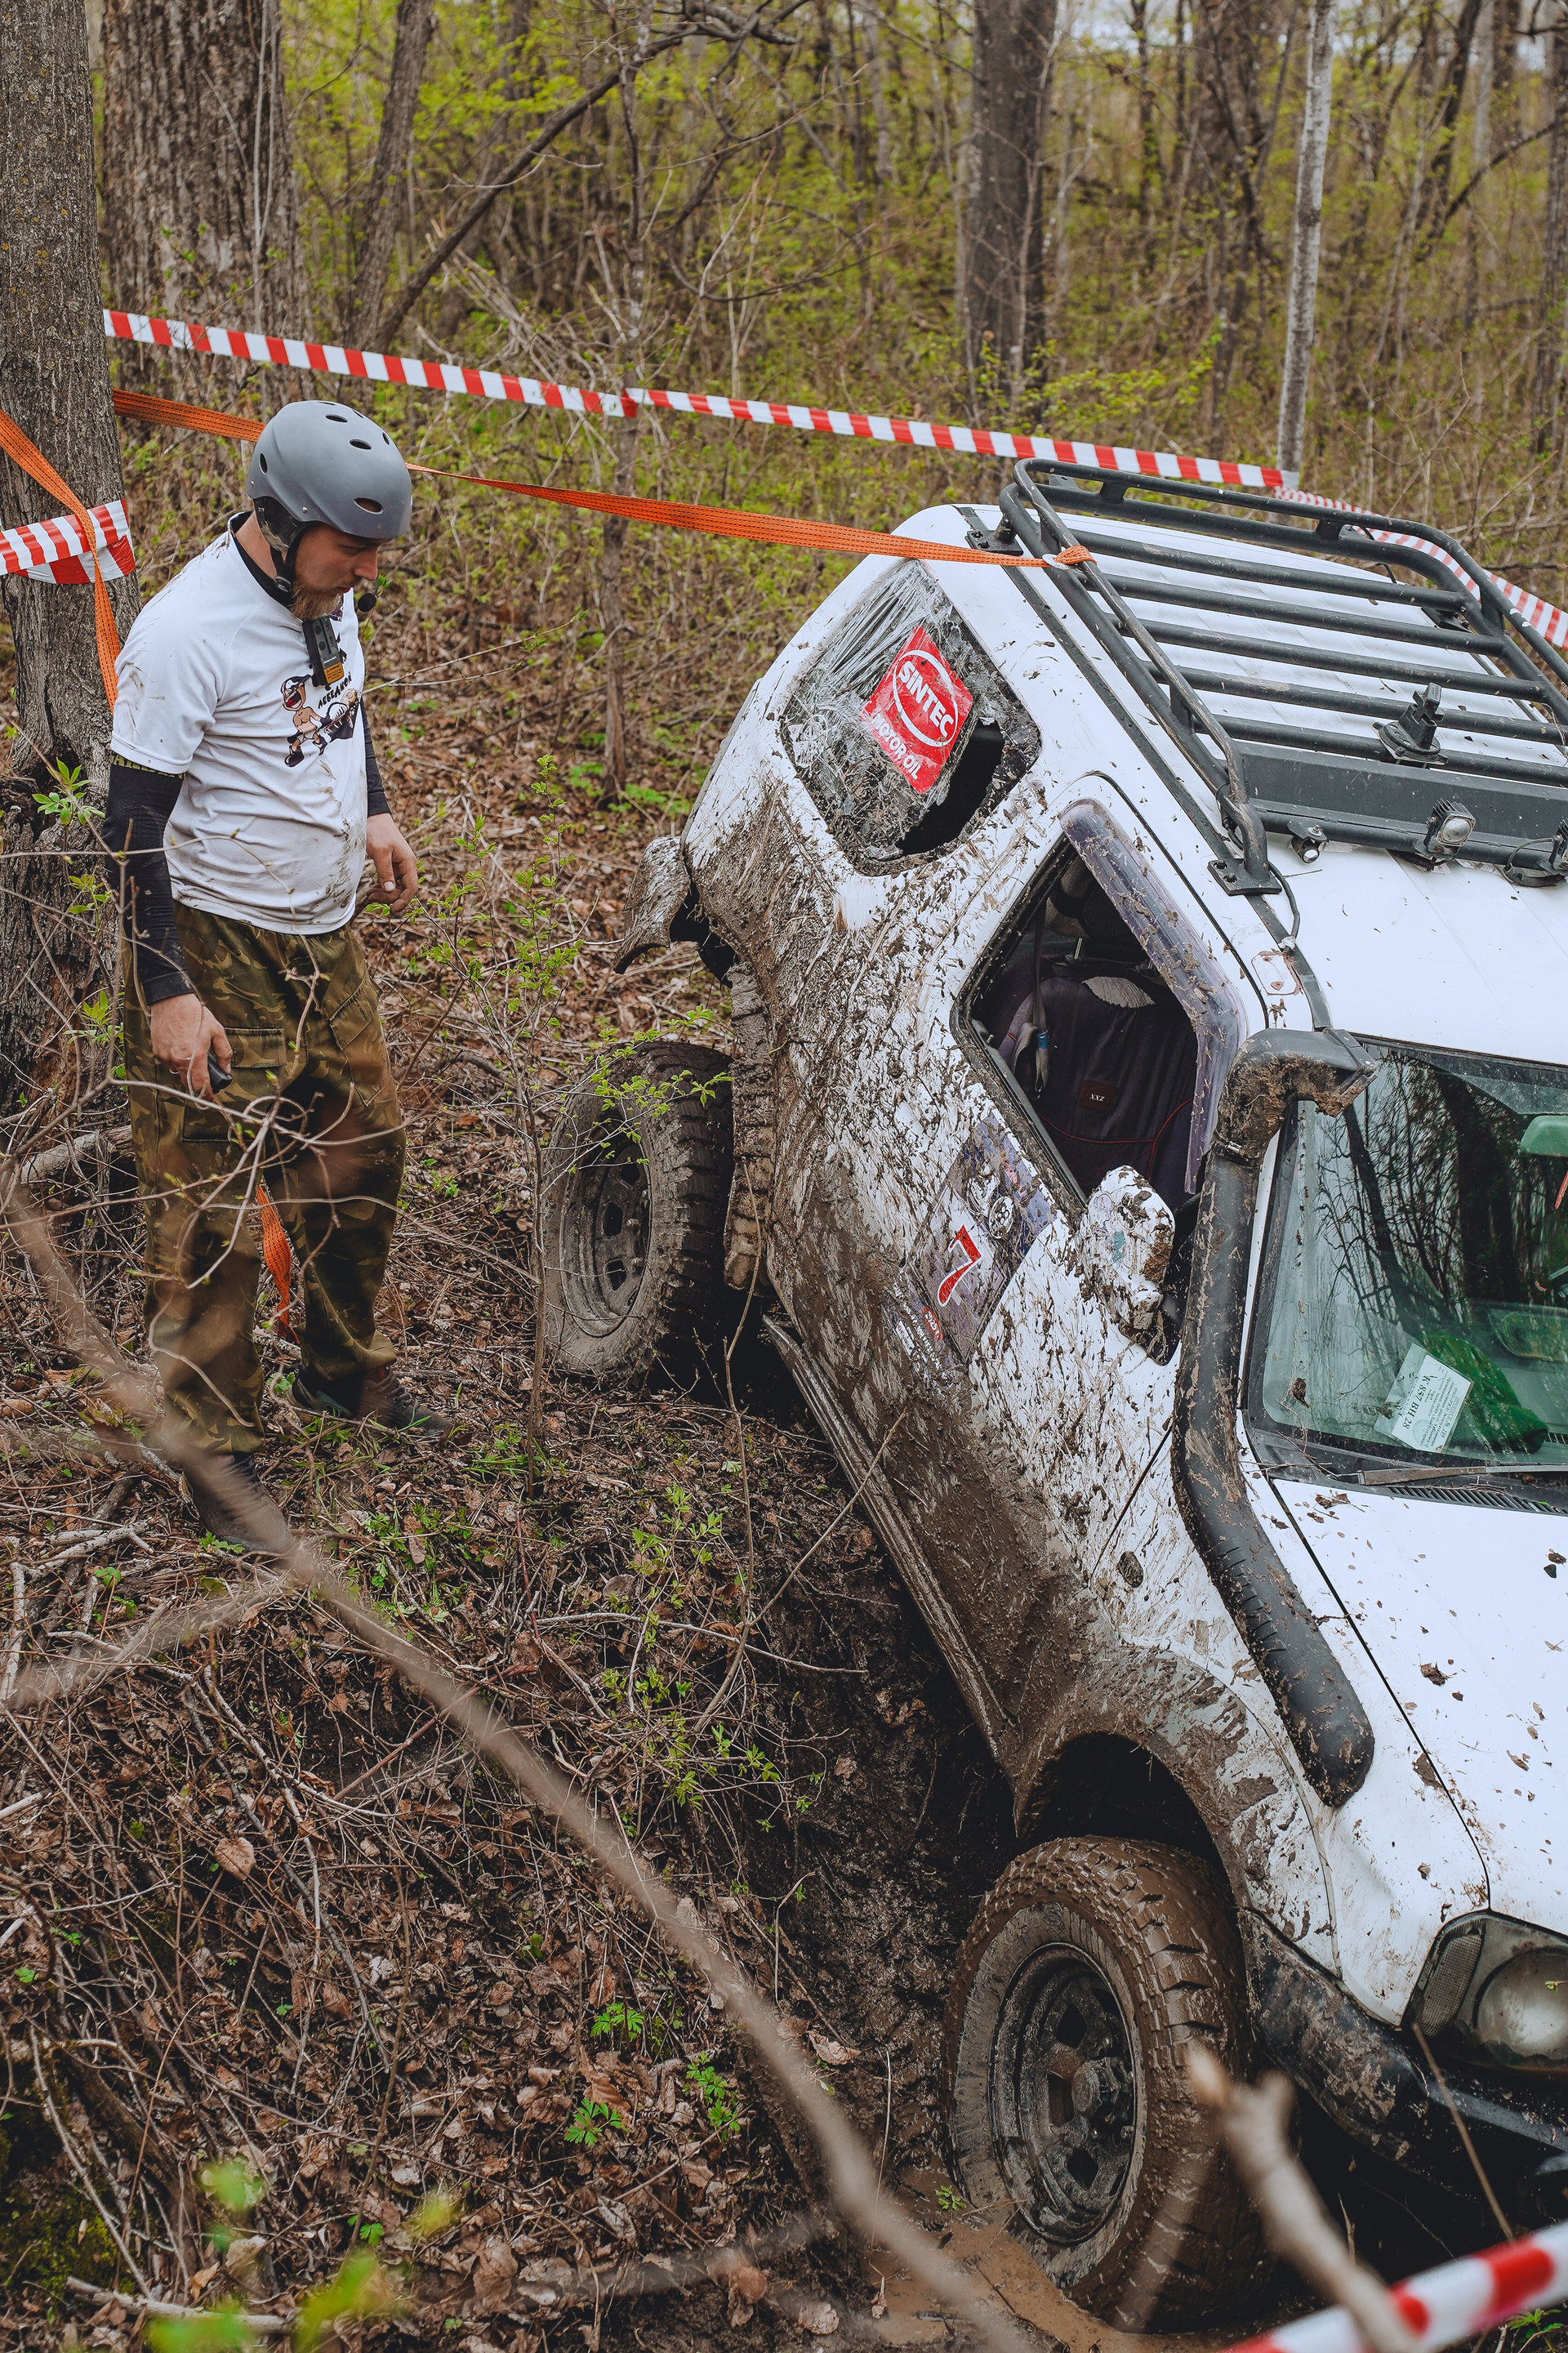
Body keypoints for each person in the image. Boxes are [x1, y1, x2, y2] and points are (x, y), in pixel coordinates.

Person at [107, 398, 447, 1549]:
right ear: (283, 521)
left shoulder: (325, 596)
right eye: (352, 547)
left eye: (378, 550)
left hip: (323, 934)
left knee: (365, 1147)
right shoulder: (186, 631)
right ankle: (214, 1449)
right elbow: (131, 823)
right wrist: (168, 990)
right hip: (216, 939)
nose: (368, 571)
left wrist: (375, 809)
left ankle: (344, 1372)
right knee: (208, 1202)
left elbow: (342, 708)